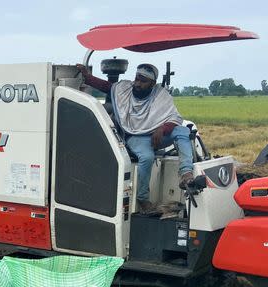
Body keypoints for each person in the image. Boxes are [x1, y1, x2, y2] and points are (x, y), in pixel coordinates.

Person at [77, 63, 194, 214]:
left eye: (143, 81)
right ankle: (143, 198)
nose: (137, 84)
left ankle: (186, 174)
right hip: (136, 135)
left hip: (157, 134)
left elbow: (173, 118)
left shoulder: (161, 95)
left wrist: (162, 128)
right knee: (147, 157)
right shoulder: (124, 90)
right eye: (137, 79)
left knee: (182, 131)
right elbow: (106, 86)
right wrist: (87, 77)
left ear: (152, 83)